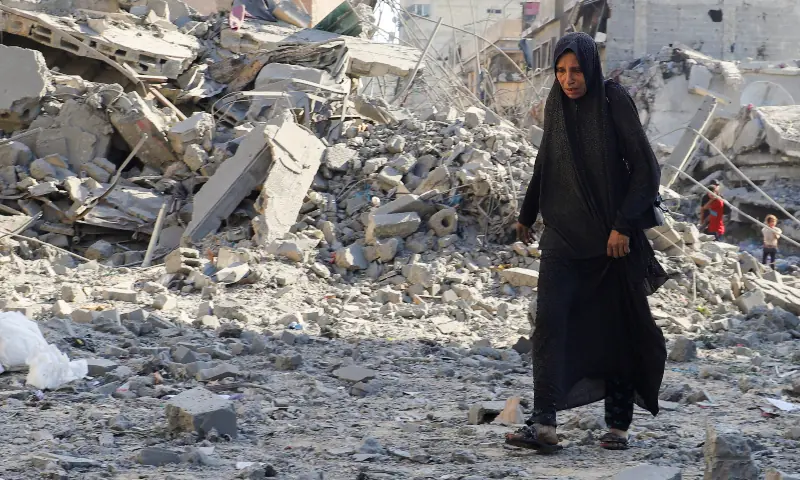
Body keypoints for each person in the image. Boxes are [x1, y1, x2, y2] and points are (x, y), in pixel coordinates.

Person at [505, 32, 667, 453]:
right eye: (560, 70)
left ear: (591, 68)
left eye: (576, 70)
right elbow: (547, 159)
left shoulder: (613, 100)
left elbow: (647, 170)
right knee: (550, 324)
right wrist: (527, 213)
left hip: (612, 240)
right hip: (563, 235)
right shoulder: (556, 104)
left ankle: (617, 426)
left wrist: (623, 226)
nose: (568, 79)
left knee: (617, 329)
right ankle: (543, 424)